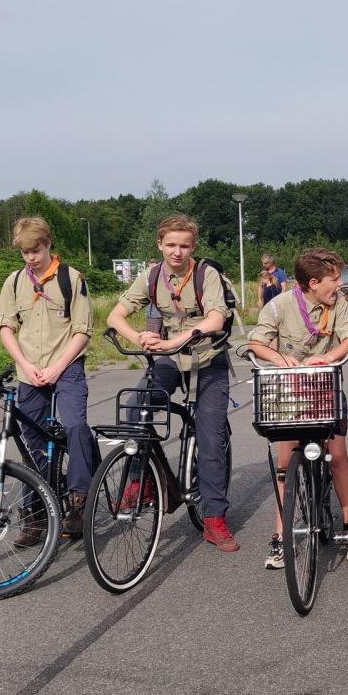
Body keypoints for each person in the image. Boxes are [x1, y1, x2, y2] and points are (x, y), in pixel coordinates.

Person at [107, 214, 239, 552]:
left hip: (207, 359)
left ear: (192, 247)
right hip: (169, 359)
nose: (177, 252)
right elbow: (115, 316)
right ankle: (143, 481)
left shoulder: (205, 274)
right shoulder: (151, 276)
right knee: (137, 407)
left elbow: (215, 317)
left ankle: (213, 518)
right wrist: (140, 337)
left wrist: (176, 339)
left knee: (210, 438)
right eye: (171, 245)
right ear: (160, 245)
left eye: (184, 246)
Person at [248, 248, 348, 568]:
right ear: (313, 283)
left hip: (325, 387)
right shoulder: (280, 306)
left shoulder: (340, 304)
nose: (339, 284)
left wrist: (328, 356)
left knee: (338, 456)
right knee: (285, 461)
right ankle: (280, 534)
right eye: (334, 279)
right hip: (290, 394)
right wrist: (280, 360)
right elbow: (256, 342)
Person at [0, 217, 97, 540]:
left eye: (35, 250)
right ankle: (37, 511)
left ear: (48, 244)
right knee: (33, 442)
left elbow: (83, 330)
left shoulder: (71, 278)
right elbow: (6, 327)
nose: (30, 258)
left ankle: (80, 500)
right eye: (25, 253)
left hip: (66, 366)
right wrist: (23, 363)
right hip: (30, 370)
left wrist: (57, 367)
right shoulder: (14, 282)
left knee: (75, 426)